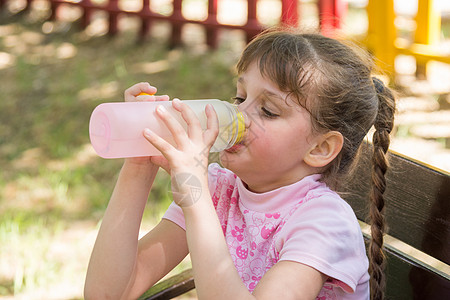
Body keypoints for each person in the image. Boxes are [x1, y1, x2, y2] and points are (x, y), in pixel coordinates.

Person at [84, 28, 395, 300]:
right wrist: (138, 167)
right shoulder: (220, 189)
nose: (240, 116)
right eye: (239, 97)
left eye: (268, 111)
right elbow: (108, 292)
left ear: (320, 148)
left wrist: (196, 199)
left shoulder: (323, 223)